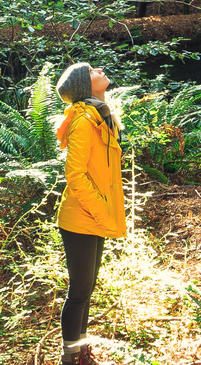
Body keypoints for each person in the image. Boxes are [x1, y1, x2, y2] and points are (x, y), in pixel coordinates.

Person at [53, 63, 125, 365]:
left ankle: (81, 352)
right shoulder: (84, 121)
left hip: (93, 215)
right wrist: (100, 209)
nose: (101, 70)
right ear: (85, 85)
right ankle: (70, 359)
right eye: (93, 70)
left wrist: (102, 210)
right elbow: (76, 175)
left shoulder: (100, 116)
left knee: (87, 290)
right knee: (79, 292)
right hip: (82, 217)